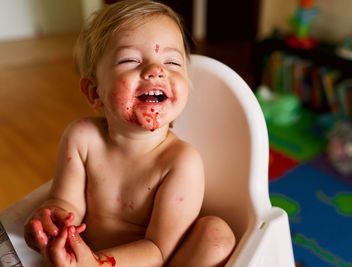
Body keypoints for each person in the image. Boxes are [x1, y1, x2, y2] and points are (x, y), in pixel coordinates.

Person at [23, 1, 236, 266]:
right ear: (94, 92)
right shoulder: (82, 138)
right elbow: (67, 203)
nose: (156, 71)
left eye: (172, 62)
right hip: (81, 261)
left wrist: (98, 263)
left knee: (217, 235)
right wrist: (51, 224)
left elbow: (159, 249)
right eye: (130, 60)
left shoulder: (180, 161)